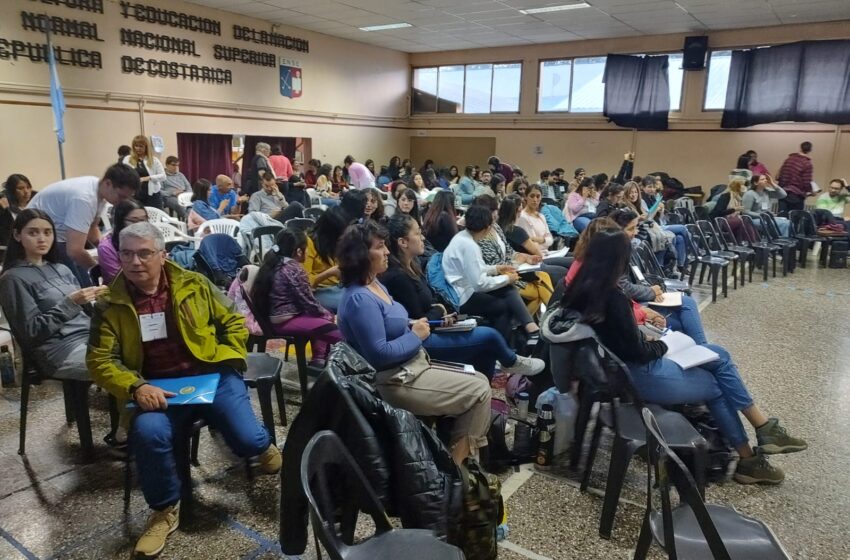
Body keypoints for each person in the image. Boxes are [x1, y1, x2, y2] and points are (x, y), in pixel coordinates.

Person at [87, 222, 281, 558]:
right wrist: (135, 386)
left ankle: (262, 446)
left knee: (248, 439)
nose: (135, 262)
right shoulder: (110, 305)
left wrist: (228, 354)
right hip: (156, 389)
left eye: (144, 253)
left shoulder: (193, 284)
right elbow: (100, 359)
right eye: (127, 254)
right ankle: (164, 510)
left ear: (163, 255)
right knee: (149, 435)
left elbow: (233, 320)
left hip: (210, 374)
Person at [560, 224, 807, 485]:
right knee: (717, 381)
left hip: (620, 371)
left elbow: (620, 339)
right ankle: (756, 444)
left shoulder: (582, 290)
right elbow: (638, 352)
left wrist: (644, 338)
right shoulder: (614, 299)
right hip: (641, 376)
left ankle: (756, 445)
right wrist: (663, 344)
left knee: (717, 356)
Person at [336, 221, 492, 465]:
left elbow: (390, 320)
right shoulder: (360, 299)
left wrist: (411, 324)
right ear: (361, 255)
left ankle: (453, 457)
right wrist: (416, 335)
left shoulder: (374, 282)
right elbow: (380, 355)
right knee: (480, 392)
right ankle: (456, 468)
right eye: (379, 247)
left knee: (480, 379)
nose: (387, 251)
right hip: (391, 380)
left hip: (410, 366)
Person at [382, 214, 544, 379]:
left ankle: (489, 377)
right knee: (490, 334)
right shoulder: (399, 277)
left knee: (504, 301)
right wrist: (439, 311)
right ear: (403, 242)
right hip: (423, 338)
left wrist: (441, 311)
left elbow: (431, 303)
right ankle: (511, 359)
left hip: (439, 320)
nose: (423, 237)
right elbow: (419, 319)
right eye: (417, 233)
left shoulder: (413, 266)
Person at [0, 209, 104, 383]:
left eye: (47, 233)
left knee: (144, 353)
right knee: (124, 365)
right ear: (18, 236)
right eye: (33, 233)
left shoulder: (61, 269)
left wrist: (100, 299)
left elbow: (86, 312)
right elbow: (31, 332)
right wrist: (70, 303)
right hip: (59, 351)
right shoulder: (13, 278)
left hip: (90, 337)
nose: (42, 239)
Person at [29, 164, 139, 287]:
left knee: (89, 277)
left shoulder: (99, 190)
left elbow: (93, 229)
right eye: (121, 196)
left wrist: (109, 251)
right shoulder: (84, 198)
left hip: (57, 234)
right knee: (83, 284)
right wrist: (101, 270)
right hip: (40, 236)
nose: (123, 201)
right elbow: (75, 251)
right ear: (108, 183)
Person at [443, 205, 539, 342]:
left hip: (462, 287)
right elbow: (479, 284)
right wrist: (507, 278)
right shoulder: (470, 246)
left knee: (507, 288)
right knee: (503, 306)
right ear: (488, 228)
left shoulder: (462, 237)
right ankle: (501, 347)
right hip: (462, 295)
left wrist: (496, 269)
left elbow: (475, 268)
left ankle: (530, 328)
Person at [251, 229, 342, 368]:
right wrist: (327, 314)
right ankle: (320, 360)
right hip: (284, 321)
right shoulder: (293, 269)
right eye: (306, 249)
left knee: (322, 317)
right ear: (299, 251)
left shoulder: (273, 263)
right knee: (337, 331)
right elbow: (308, 302)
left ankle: (319, 359)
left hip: (271, 318)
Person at [304, 206, 350, 312]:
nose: (342, 237)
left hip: (339, 286)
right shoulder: (308, 244)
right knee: (352, 304)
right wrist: (329, 273)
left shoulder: (336, 243)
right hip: (319, 290)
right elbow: (304, 283)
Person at [98, 200, 148, 284]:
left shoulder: (149, 240)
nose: (140, 225)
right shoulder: (107, 247)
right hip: (122, 291)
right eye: (133, 221)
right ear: (120, 221)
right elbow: (118, 280)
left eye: (143, 220)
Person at [122, 135, 165, 209]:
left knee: (155, 217)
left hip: (153, 195)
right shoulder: (127, 159)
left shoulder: (154, 160)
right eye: (136, 146)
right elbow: (123, 175)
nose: (138, 148)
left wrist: (148, 178)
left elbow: (163, 176)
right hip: (135, 195)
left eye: (141, 146)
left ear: (146, 147)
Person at [0, 174, 35, 256]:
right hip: (10, 252)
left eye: (28, 187)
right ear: (11, 191)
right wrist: (3, 210)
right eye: (20, 188)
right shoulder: (5, 208)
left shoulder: (36, 206)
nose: (26, 191)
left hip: (32, 250)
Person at [710, 179, 754, 243]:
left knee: (746, 220)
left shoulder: (738, 197)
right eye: (743, 185)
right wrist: (734, 209)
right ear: (737, 186)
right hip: (720, 221)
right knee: (742, 221)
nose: (745, 187)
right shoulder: (726, 195)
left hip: (732, 220)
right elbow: (718, 213)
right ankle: (748, 244)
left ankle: (745, 244)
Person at [777, 141, 814, 214]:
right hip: (796, 195)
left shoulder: (789, 159)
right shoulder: (807, 164)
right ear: (810, 150)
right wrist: (811, 191)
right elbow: (806, 182)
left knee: (781, 218)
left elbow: (779, 175)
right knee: (795, 219)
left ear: (800, 148)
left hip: (782, 192)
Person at [517, 184, 555, 252]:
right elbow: (533, 245)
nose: (535, 199)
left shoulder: (541, 216)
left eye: (538, 196)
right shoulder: (523, 217)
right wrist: (544, 240)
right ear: (526, 197)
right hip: (536, 255)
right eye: (532, 196)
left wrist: (541, 240)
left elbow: (551, 240)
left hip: (547, 252)